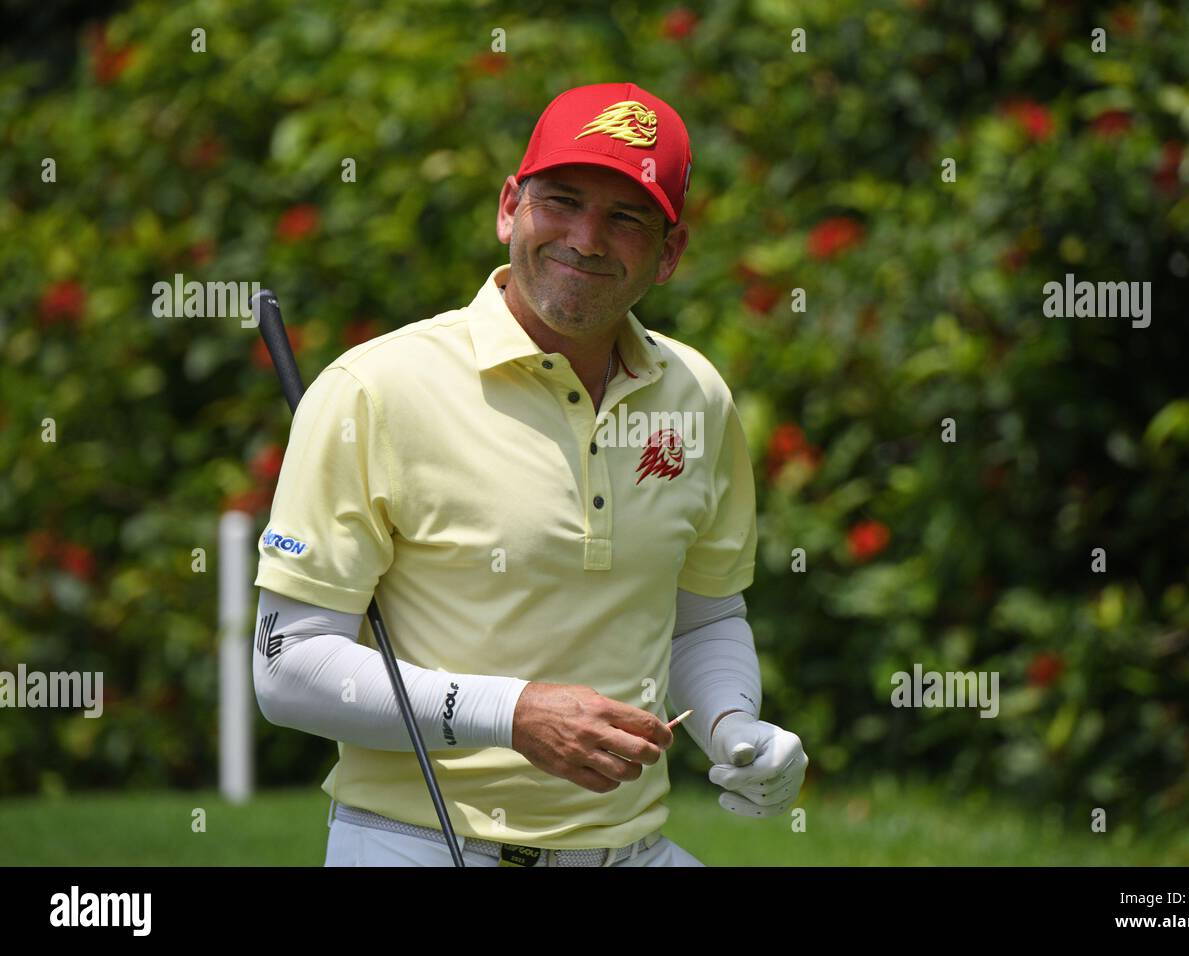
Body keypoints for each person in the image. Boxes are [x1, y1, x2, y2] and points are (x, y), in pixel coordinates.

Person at [251, 82, 808, 867]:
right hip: (418, 848)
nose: (585, 239)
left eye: (625, 217)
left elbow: (705, 620)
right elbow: (289, 668)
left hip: (633, 850)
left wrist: (735, 727)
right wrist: (512, 714)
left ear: (670, 254)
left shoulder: (697, 396)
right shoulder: (372, 390)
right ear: (510, 206)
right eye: (563, 201)